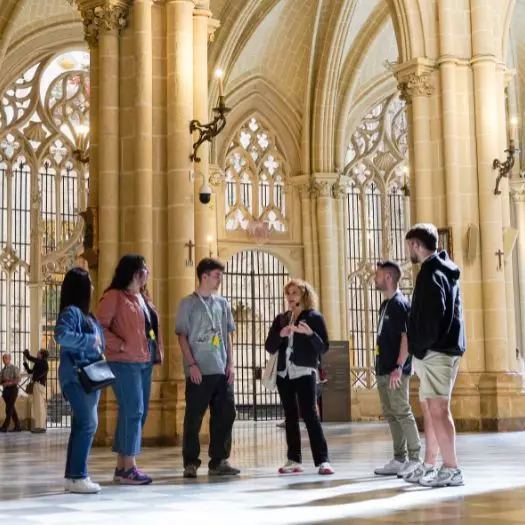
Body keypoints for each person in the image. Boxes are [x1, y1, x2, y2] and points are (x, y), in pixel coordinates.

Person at [403, 223, 465, 487]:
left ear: (416, 245)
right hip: (439, 350)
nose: (409, 252)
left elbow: (432, 318)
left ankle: (452, 469)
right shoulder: (443, 270)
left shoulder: (430, 274)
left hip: (436, 352)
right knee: (430, 408)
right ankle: (430, 464)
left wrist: (418, 347)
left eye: (409, 247)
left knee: (438, 409)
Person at [97, 254, 163, 485]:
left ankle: (121, 465)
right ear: (134, 272)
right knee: (133, 410)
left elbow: (149, 327)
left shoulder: (141, 297)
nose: (148, 272)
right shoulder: (114, 296)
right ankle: (129, 468)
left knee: (137, 412)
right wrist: (120, 344)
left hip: (144, 360)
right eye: (145, 268)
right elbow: (99, 328)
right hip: (123, 361)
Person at [175, 258, 239, 478]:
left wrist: (231, 364)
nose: (220, 279)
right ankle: (190, 462)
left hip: (221, 370)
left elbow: (228, 335)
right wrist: (191, 365)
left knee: (225, 415)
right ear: (204, 276)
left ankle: (219, 460)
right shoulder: (187, 304)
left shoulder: (222, 303)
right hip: (199, 371)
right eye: (216, 275)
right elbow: (182, 336)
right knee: (194, 418)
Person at [265, 279, 334, 475]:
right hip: (283, 373)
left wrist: (311, 334)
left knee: (311, 415)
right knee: (290, 417)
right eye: (288, 293)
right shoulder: (281, 319)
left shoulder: (314, 317)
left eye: (294, 293)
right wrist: (281, 333)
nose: (290, 297)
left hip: (304, 371)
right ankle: (294, 460)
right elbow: (269, 346)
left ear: (303, 295)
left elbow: (324, 347)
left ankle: (323, 461)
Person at [55, 267, 104, 494]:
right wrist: (89, 341)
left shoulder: (87, 315)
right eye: (90, 282)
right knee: (88, 423)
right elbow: (62, 335)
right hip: (77, 376)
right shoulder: (71, 312)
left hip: (90, 377)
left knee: (81, 425)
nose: (93, 286)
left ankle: (73, 476)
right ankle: (78, 476)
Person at [373, 261, 421, 477]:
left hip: (396, 370)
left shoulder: (401, 304)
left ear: (389, 278)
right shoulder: (385, 305)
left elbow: (406, 338)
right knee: (391, 413)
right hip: (383, 368)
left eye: (378, 275)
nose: (375, 278)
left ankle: (415, 458)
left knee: (402, 411)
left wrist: (399, 366)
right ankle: (399, 458)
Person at [23, 349, 49, 433]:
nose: (37, 353)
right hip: (36, 385)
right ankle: (39, 426)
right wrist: (25, 363)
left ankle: (40, 427)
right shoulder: (39, 363)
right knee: (37, 406)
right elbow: (30, 371)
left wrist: (27, 355)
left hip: (39, 385)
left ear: (41, 355)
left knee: (39, 406)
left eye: (38, 352)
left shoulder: (43, 363)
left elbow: (33, 359)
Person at [0, 353, 21, 432]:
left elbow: (18, 379)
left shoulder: (14, 368)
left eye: (5, 358)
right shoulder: (2, 370)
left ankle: (5, 426)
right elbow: (1, 381)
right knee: (11, 408)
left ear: (9, 359)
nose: (4, 359)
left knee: (8, 409)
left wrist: (8, 381)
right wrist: (3, 382)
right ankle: (18, 426)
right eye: (3, 358)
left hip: (13, 390)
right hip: (5, 391)